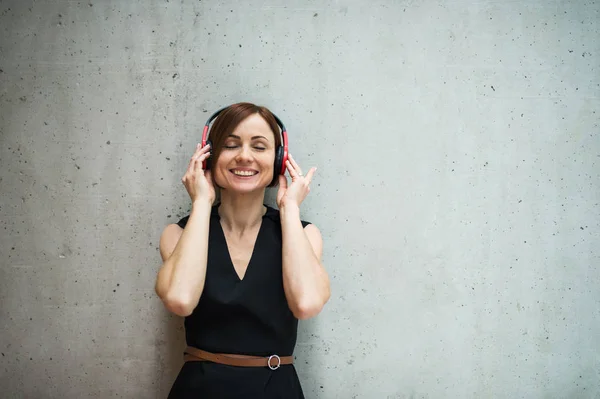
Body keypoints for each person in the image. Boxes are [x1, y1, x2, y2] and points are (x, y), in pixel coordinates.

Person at [155, 102, 331, 398]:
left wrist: (289, 210)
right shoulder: (178, 233)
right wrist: (200, 203)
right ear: (209, 157)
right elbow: (181, 300)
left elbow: (307, 304)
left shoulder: (304, 234)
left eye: (259, 146)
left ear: (279, 158)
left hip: (276, 389)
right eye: (230, 145)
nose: (244, 156)